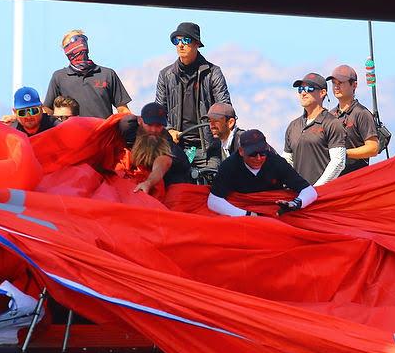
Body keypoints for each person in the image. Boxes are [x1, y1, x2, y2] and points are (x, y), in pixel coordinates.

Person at [155, 22, 231, 173]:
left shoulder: (213, 73)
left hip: (208, 150)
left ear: (197, 44)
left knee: (209, 190)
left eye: (186, 40)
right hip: (178, 148)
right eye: (177, 41)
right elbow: (158, 113)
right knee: (177, 189)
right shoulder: (165, 75)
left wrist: (216, 127)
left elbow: (225, 108)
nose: (181, 45)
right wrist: (169, 130)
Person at [208, 129, 317, 217]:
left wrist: (295, 203)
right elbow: (214, 201)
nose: (259, 158)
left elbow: (309, 190)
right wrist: (248, 215)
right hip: (242, 212)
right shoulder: (229, 165)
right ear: (241, 151)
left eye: (262, 153)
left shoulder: (276, 162)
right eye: (253, 154)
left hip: (275, 212)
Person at [43, 30, 131, 118]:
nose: (81, 42)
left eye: (84, 39)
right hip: (74, 130)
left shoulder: (107, 74)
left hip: (103, 130)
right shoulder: (59, 77)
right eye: (75, 40)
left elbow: (123, 109)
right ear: (67, 50)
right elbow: (48, 109)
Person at [283, 73, 347, 186]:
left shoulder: (332, 123)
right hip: (298, 195)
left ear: (322, 93)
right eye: (300, 89)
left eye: (309, 89)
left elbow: (338, 162)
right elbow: (287, 161)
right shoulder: (293, 126)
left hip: (324, 196)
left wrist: (315, 189)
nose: (303, 93)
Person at [116, 102, 192, 194]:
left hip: (175, 191)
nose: (154, 130)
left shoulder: (169, 146)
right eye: (150, 124)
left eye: (158, 125)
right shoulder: (130, 129)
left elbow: (162, 164)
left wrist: (148, 183)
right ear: (140, 121)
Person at [326, 65, 379, 176]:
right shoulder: (329, 115)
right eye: (334, 83)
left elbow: (373, 148)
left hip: (356, 179)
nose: (336, 86)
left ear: (354, 85)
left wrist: (344, 153)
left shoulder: (362, 113)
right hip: (333, 179)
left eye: (340, 83)